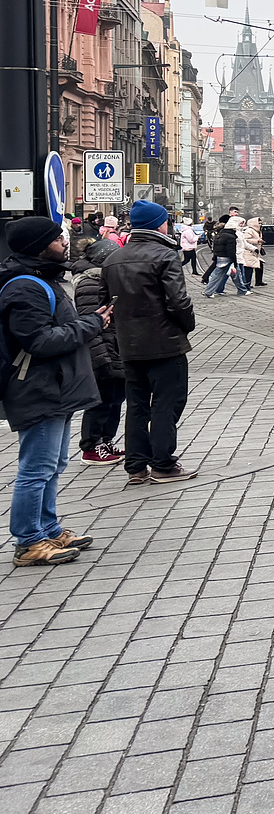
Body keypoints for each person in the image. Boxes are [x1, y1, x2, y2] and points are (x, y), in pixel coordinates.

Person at [1, 215, 108, 566]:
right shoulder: (25, 287)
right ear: (39, 246)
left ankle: (47, 528)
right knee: (37, 467)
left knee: (54, 463)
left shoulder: (40, 279)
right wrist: (92, 323)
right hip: (37, 387)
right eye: (57, 238)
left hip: (55, 386)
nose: (65, 242)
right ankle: (29, 541)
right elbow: (40, 341)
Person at [101, 200, 197, 486]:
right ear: (159, 223)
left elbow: (104, 304)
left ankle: (136, 466)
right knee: (168, 402)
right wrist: (186, 326)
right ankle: (163, 464)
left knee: (137, 404)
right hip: (165, 343)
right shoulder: (165, 256)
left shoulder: (112, 259)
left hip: (129, 345)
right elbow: (178, 301)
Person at [70, 233, 125, 464]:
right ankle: (91, 447)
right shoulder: (90, 283)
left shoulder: (105, 280)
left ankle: (105, 440)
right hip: (103, 350)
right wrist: (102, 357)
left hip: (115, 346)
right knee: (101, 400)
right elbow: (89, 323)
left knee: (114, 399)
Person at [204, 215, 242, 296]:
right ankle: (242, 290)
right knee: (236, 274)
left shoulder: (220, 234)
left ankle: (208, 291)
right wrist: (234, 260)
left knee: (218, 275)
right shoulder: (231, 237)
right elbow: (231, 250)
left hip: (220, 257)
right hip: (227, 258)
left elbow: (215, 246)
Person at [237, 219, 263, 292]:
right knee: (248, 270)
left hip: (253, 252)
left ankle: (248, 286)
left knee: (251, 269)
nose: (260, 224)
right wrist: (256, 241)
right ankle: (246, 287)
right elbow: (246, 240)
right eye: (259, 223)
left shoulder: (257, 231)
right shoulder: (249, 230)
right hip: (248, 253)